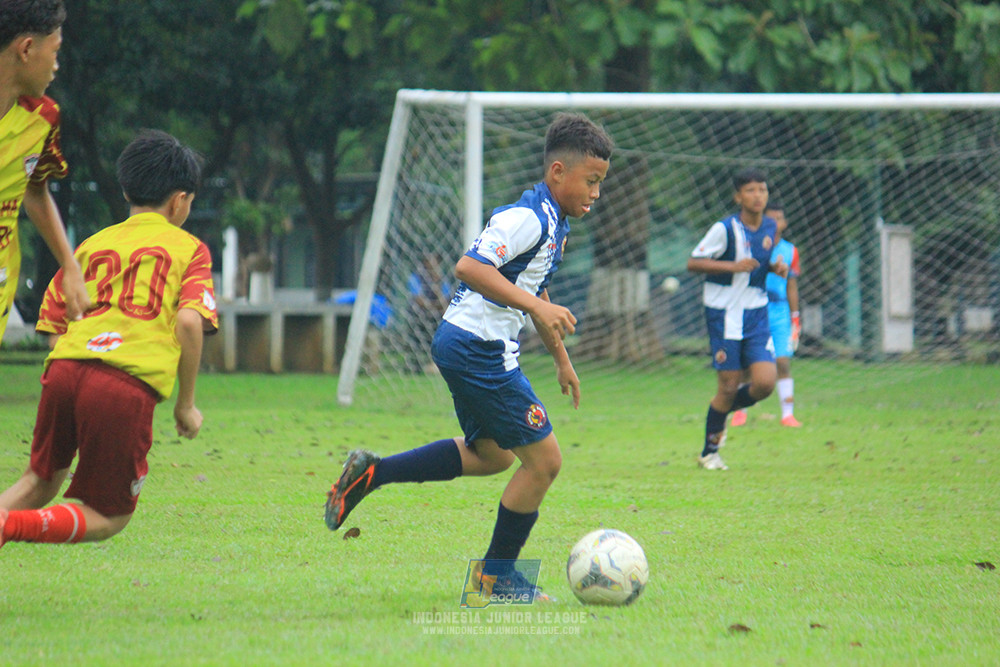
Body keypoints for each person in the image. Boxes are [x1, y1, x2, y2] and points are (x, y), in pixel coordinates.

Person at [324, 113, 614, 601]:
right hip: (477, 348)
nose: (596, 193)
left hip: (468, 345)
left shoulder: (554, 224)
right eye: (591, 180)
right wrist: (538, 306)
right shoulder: (525, 217)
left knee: (493, 456)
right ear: (558, 171)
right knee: (544, 463)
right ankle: (494, 579)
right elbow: (470, 266)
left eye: (601, 183)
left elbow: (530, 293)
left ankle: (373, 472)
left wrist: (561, 359)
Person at [0, 130, 218, 548]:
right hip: (123, 383)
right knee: (108, 514)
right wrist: (186, 406)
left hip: (64, 368)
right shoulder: (189, 249)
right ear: (180, 201)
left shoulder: (87, 246)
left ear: (126, 189)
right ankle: (8, 526)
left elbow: (54, 325)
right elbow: (190, 323)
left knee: (39, 481)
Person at [687, 168, 787, 471]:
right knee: (728, 386)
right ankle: (710, 452)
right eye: (751, 190)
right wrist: (733, 266)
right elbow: (694, 262)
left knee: (765, 384)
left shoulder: (770, 227)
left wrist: (774, 268)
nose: (758, 195)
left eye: (762, 189)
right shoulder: (725, 228)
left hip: (756, 313)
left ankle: (720, 412)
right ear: (738, 196)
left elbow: (761, 263)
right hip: (724, 314)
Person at [0, 0, 90, 340]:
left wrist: (70, 265)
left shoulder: (42, 117)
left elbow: (36, 192)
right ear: (26, 49)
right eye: (54, 52)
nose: (56, 66)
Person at [731, 200, 802, 428]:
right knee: (747, 364)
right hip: (754, 307)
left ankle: (787, 414)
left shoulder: (790, 251)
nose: (775, 223)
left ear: (785, 223)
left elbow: (791, 285)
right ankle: (739, 411)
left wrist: (795, 316)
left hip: (779, 311)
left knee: (782, 361)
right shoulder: (753, 245)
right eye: (771, 219)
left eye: (779, 219)